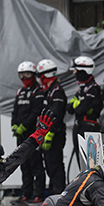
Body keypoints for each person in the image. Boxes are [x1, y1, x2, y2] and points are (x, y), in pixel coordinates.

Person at [11, 61, 46, 203]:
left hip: (33, 134)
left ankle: (39, 194)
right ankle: (26, 193)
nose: (24, 77)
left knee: (36, 164)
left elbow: (36, 112)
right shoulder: (20, 92)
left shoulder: (38, 92)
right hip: (20, 135)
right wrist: (14, 125)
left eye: (27, 74)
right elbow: (15, 111)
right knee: (23, 164)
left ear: (33, 75)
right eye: (21, 74)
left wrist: (24, 126)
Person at [37, 59, 67, 195]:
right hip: (47, 133)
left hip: (55, 134)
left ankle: (59, 194)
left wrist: (50, 133)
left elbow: (56, 115)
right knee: (49, 165)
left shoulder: (57, 92)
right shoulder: (49, 91)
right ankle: (54, 193)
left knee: (55, 166)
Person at [67, 56, 103, 168]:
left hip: (90, 129)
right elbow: (69, 109)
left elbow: (81, 108)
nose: (74, 73)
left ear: (84, 71)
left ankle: (92, 184)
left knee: (91, 163)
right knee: (81, 162)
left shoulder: (93, 88)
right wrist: (77, 104)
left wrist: (77, 104)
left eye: (76, 70)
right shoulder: (81, 88)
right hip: (78, 127)